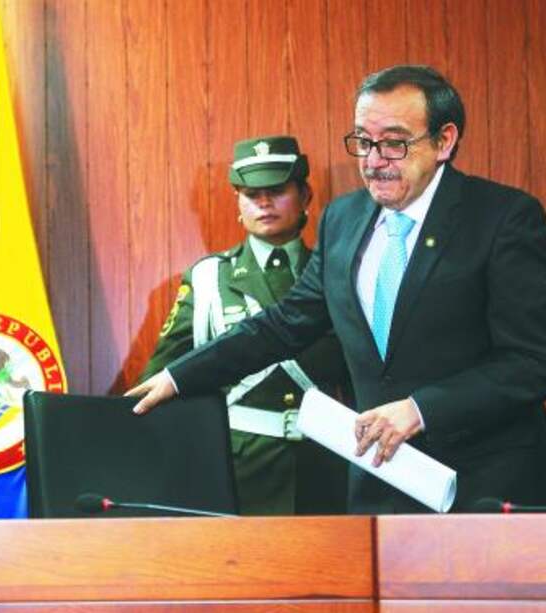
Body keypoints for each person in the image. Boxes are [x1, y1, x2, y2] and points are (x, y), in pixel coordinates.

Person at [130, 65, 546, 514]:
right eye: (363, 142)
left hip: (482, 485)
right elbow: (285, 323)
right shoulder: (343, 219)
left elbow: (530, 361)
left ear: (444, 141)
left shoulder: (503, 217)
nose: (373, 160)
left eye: (394, 142)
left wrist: (421, 409)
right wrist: (179, 376)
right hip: (377, 483)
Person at [140, 136, 349, 515]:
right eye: (251, 193)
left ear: (305, 195)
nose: (264, 202)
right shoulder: (208, 280)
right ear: (238, 203)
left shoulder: (341, 273)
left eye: (276, 190)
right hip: (241, 465)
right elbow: (161, 376)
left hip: (328, 460)